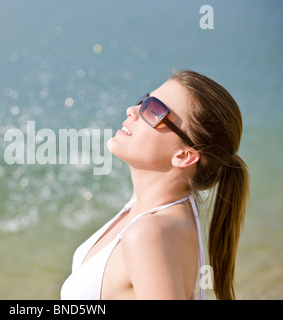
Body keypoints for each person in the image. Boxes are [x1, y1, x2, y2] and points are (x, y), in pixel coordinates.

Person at [61, 70, 249, 300]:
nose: (132, 110)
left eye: (154, 111)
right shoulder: (151, 207)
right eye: (144, 101)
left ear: (184, 156)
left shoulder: (149, 235)